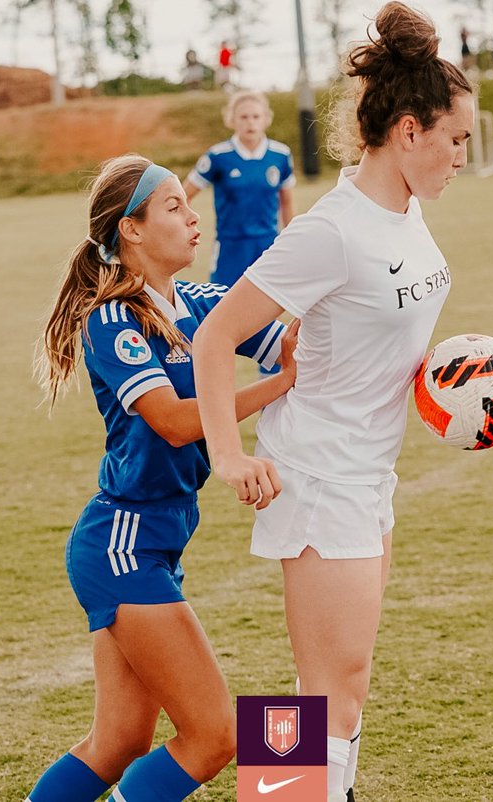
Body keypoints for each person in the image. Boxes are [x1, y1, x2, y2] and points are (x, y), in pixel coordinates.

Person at [191, 4, 473, 801]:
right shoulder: (334, 230)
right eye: (455, 140)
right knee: (325, 691)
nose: (461, 156)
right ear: (410, 131)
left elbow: (360, 332)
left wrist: (456, 385)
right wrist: (228, 454)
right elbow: (214, 338)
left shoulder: (406, 212)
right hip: (318, 476)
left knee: (341, 687)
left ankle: (318, 792)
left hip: (366, 471)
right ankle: (285, 795)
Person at [27, 154, 299, 802]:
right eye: (173, 206)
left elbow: (293, 341)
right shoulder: (112, 320)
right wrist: (279, 385)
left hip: (157, 542)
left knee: (118, 741)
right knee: (215, 736)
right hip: (121, 546)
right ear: (133, 230)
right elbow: (175, 422)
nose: (191, 215)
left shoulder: (204, 302)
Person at [183, 90, 295, 290]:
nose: (250, 122)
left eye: (256, 116)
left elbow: (286, 202)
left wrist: (292, 241)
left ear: (266, 119)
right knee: (220, 306)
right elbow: (183, 197)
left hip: (268, 245)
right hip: (230, 246)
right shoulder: (217, 156)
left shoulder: (281, 155)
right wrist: (183, 240)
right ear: (232, 120)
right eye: (243, 117)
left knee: (266, 311)